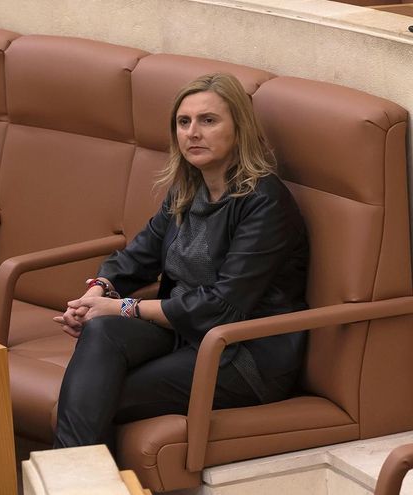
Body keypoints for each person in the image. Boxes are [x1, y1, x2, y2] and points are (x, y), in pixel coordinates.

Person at [52, 73, 309, 449]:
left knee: (96, 395)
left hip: (241, 352)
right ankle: (75, 475)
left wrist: (124, 307)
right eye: (183, 122)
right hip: (184, 334)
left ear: (239, 129)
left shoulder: (265, 202)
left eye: (208, 120)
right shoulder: (187, 191)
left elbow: (221, 307)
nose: (193, 133)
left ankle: (67, 474)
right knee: (100, 333)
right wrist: (97, 292)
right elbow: (136, 257)